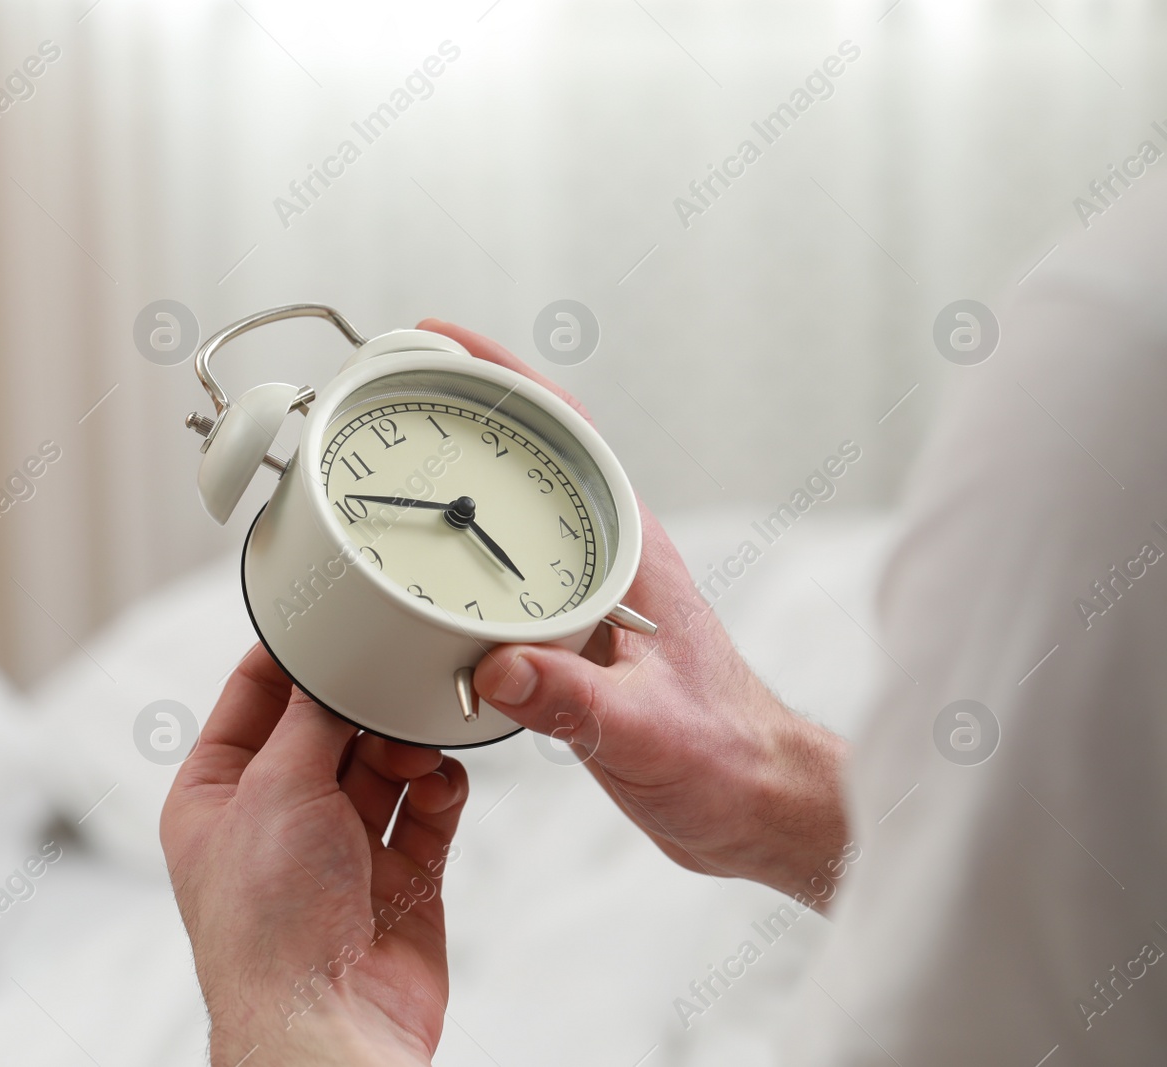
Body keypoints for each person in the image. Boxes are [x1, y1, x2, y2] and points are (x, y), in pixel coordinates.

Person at [162, 176, 1167, 1063]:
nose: (463, 511)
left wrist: (283, 1026)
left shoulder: (1117, 340)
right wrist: (764, 783)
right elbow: (1099, 901)